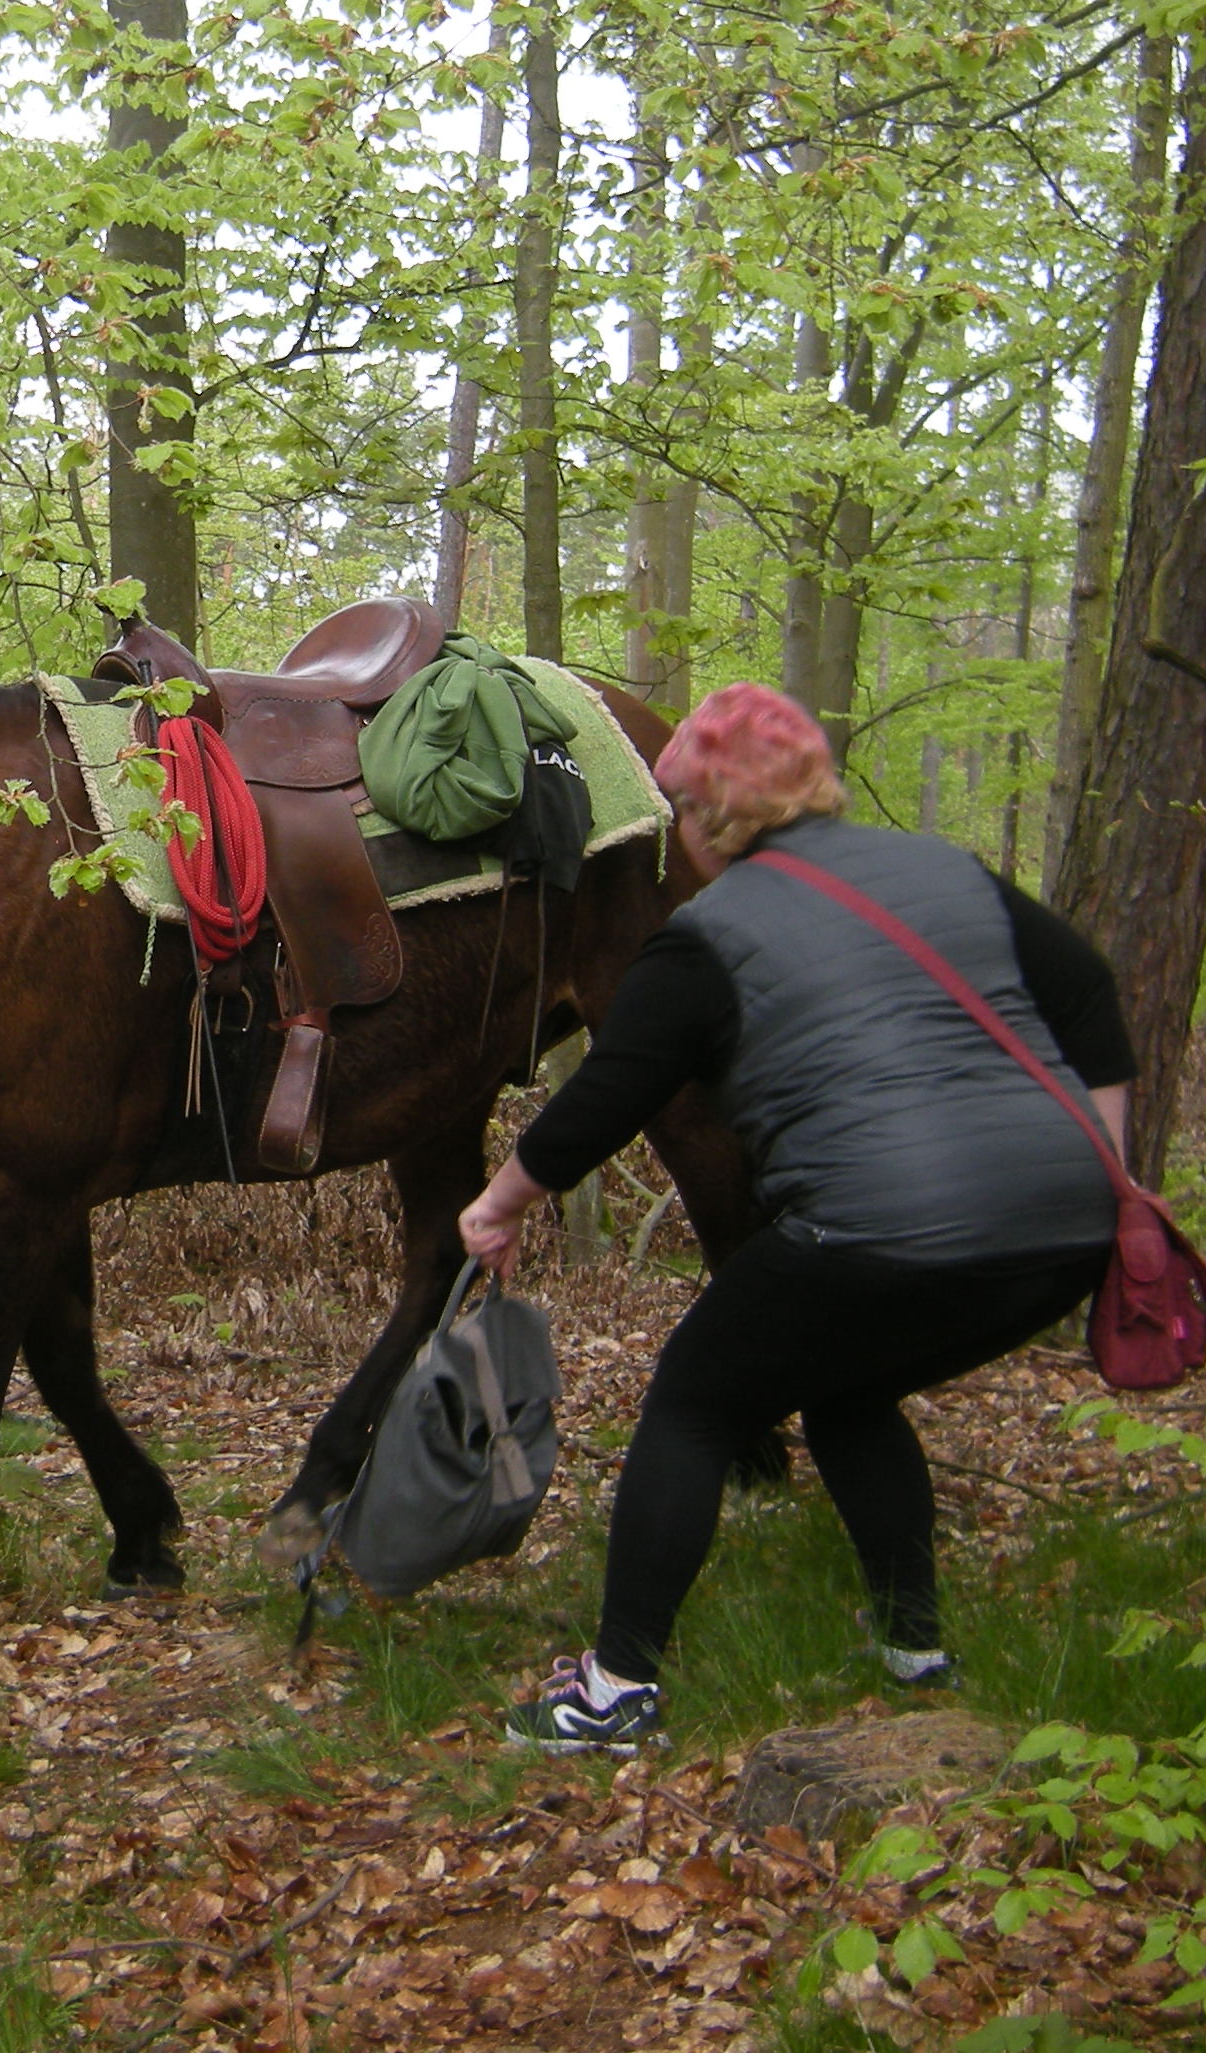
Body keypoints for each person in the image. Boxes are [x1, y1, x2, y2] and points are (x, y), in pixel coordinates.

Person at [459, 682, 1134, 1755]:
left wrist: (498, 1206)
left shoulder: (709, 934)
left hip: (883, 1228)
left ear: (715, 814)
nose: (681, 834)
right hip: (1066, 1233)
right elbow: (1089, 985)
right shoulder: (945, 870)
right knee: (844, 1384)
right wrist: (1107, 1159)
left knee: (694, 1399)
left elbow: (614, 1088)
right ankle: (916, 1649)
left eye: (683, 809)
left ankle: (614, 1688)